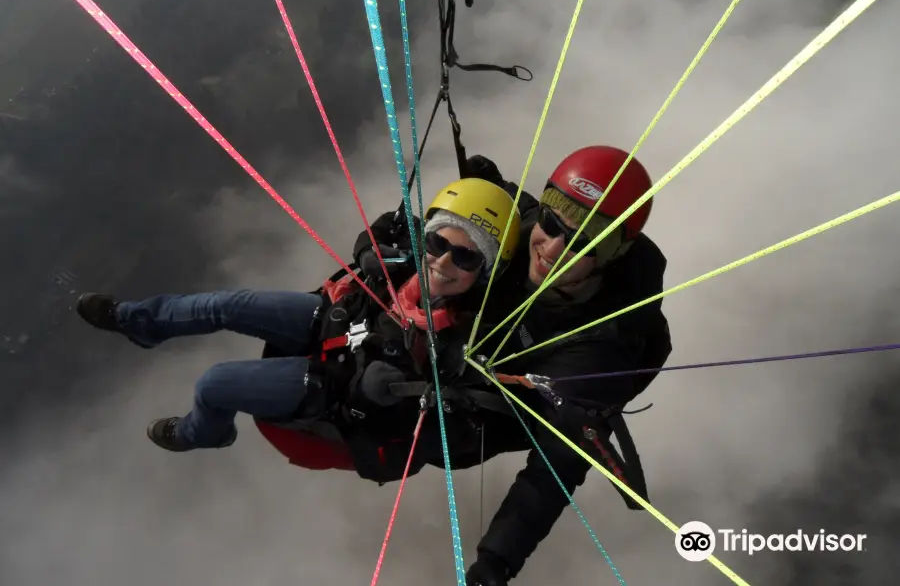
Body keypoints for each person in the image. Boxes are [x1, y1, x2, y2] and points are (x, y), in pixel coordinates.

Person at [73, 177, 521, 459]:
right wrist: (368, 248)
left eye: (466, 257)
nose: (443, 262)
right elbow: (388, 223)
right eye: (438, 243)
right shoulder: (409, 257)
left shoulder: (462, 339)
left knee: (214, 385)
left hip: (335, 387)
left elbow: (436, 432)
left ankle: (202, 433)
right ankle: (138, 321)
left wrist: (385, 395)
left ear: (485, 272)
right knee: (229, 304)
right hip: (334, 317)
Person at [454, 146, 674, 585]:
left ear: (611, 255)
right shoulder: (522, 223)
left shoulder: (603, 347)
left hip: (480, 413)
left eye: (582, 244)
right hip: (448, 350)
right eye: (552, 224)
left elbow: (556, 465)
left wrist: (495, 562)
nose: (553, 248)